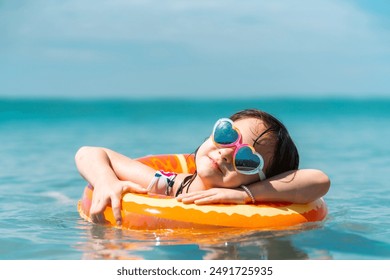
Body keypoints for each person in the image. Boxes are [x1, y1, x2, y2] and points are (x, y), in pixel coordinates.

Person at [75, 109, 330, 225]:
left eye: (246, 159)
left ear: (260, 179)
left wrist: (244, 195)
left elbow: (319, 180)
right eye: (227, 135)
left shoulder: (251, 198)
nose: (224, 154)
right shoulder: (169, 185)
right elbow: (88, 152)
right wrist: (107, 181)